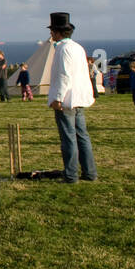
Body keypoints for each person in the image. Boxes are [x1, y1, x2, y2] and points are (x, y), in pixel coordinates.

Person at [46, 12, 97, 184]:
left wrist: (58, 98)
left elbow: (64, 76)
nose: (51, 34)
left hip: (67, 99)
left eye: (52, 31)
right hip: (79, 97)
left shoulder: (63, 49)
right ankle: (89, 172)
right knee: (82, 136)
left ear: (58, 32)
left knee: (68, 138)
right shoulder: (77, 47)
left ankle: (71, 174)